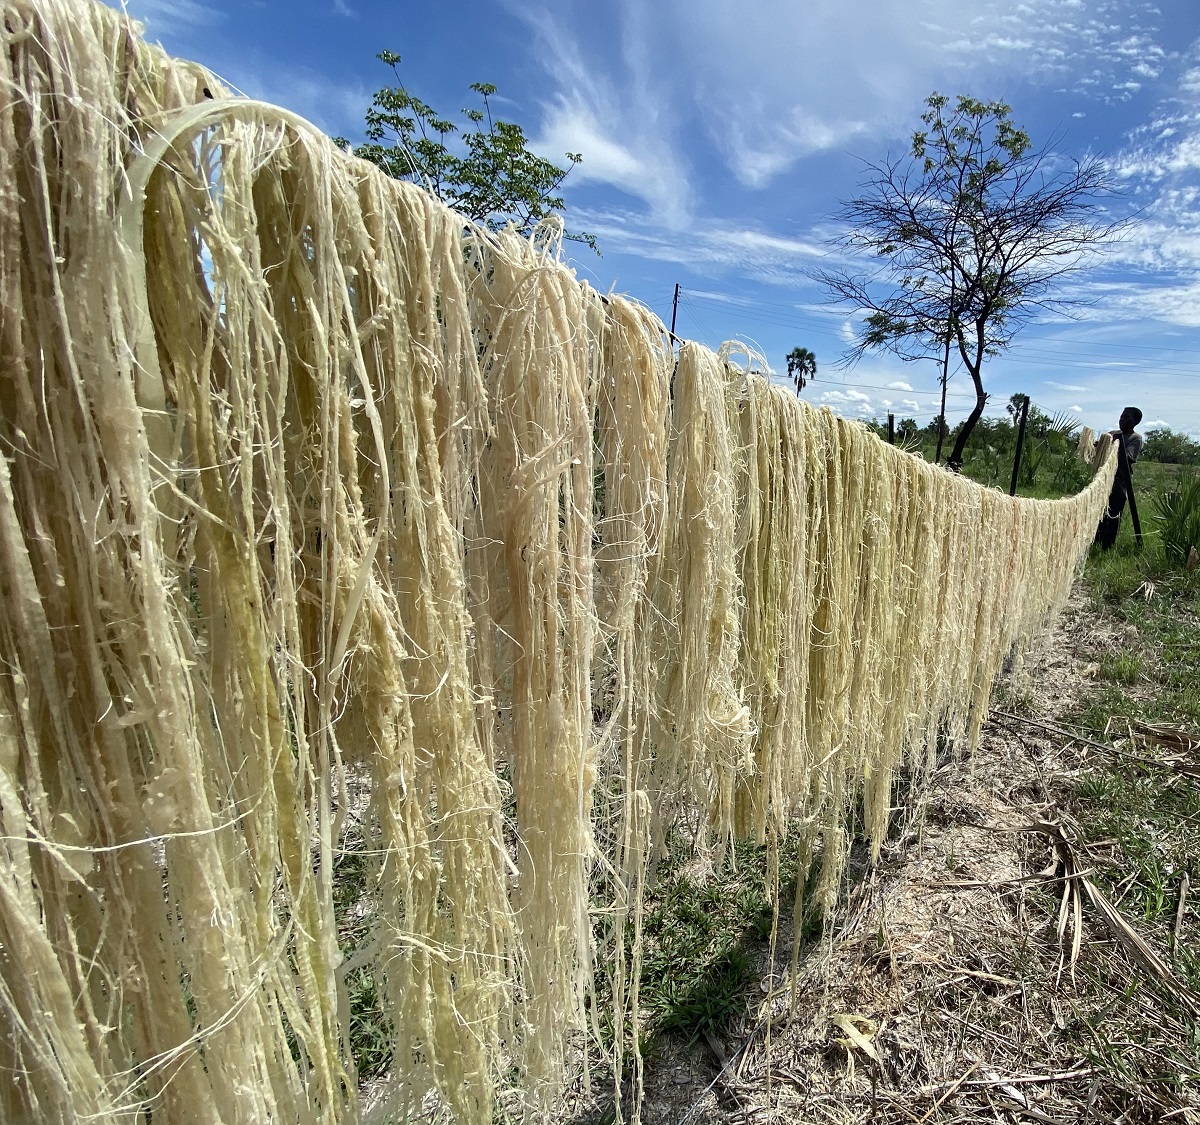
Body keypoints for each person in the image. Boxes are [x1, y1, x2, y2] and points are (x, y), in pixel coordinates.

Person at [1094, 406, 1143, 549]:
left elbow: (1128, 458)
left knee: (1113, 515)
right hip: (1102, 482)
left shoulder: (1135, 438)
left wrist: (1115, 445)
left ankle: (1107, 547)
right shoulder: (1112, 434)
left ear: (1135, 421)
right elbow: (1099, 448)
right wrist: (1097, 446)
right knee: (1099, 515)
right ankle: (1095, 542)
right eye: (1121, 416)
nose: (1121, 419)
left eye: (1126, 417)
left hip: (1119, 484)